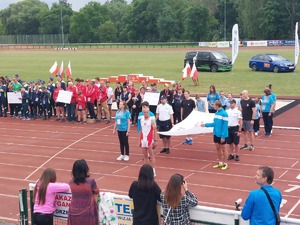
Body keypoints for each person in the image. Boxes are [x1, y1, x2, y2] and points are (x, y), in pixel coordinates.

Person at [68, 159, 99, 225]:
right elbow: (96, 191)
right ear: (85, 169)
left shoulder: (71, 182)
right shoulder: (90, 181)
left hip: (73, 210)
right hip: (87, 211)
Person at [202, 100, 229, 170]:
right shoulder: (216, 113)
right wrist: (205, 125)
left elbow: (225, 126)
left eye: (214, 105)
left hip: (222, 135)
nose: (213, 106)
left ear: (217, 106)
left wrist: (223, 136)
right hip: (216, 134)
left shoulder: (224, 114)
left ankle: (225, 164)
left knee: (224, 149)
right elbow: (214, 123)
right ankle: (220, 163)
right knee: (218, 149)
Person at [138, 101, 158, 176]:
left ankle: (153, 170)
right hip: (143, 139)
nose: (146, 113)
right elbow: (141, 131)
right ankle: (146, 171)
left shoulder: (152, 119)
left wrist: (155, 141)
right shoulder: (141, 119)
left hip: (149, 139)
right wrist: (139, 140)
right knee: (145, 156)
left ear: (148, 111)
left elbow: (155, 130)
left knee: (151, 155)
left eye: (147, 112)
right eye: (144, 112)